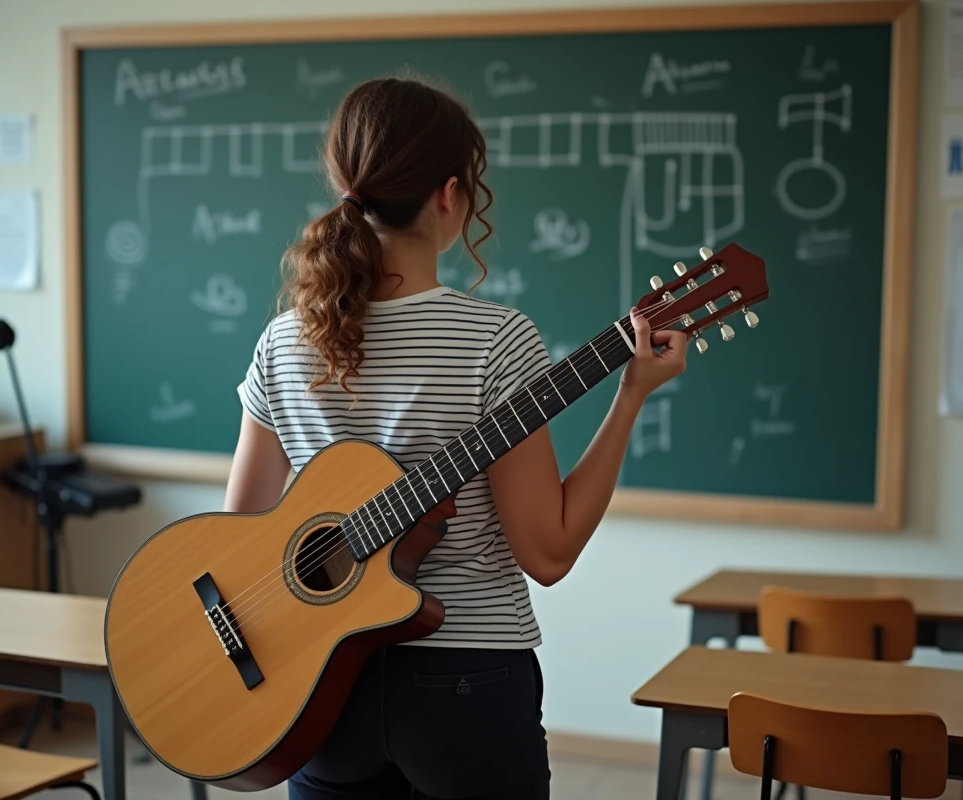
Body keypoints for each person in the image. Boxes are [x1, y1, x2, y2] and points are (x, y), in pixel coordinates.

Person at [224, 76, 687, 800]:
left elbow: (237, 533)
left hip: (315, 684)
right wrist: (629, 395)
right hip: (465, 683)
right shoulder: (497, 340)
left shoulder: (283, 341)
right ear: (450, 195)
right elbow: (549, 553)